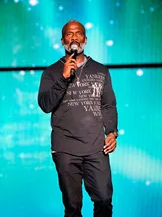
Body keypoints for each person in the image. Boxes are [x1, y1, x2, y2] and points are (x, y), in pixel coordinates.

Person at [38, 20, 118, 217]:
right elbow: (45, 105)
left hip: (96, 146)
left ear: (85, 39)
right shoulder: (51, 72)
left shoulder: (101, 70)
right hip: (65, 148)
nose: (74, 37)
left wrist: (112, 133)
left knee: (104, 200)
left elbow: (108, 105)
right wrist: (63, 78)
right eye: (69, 34)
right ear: (62, 40)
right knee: (73, 207)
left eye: (79, 33)